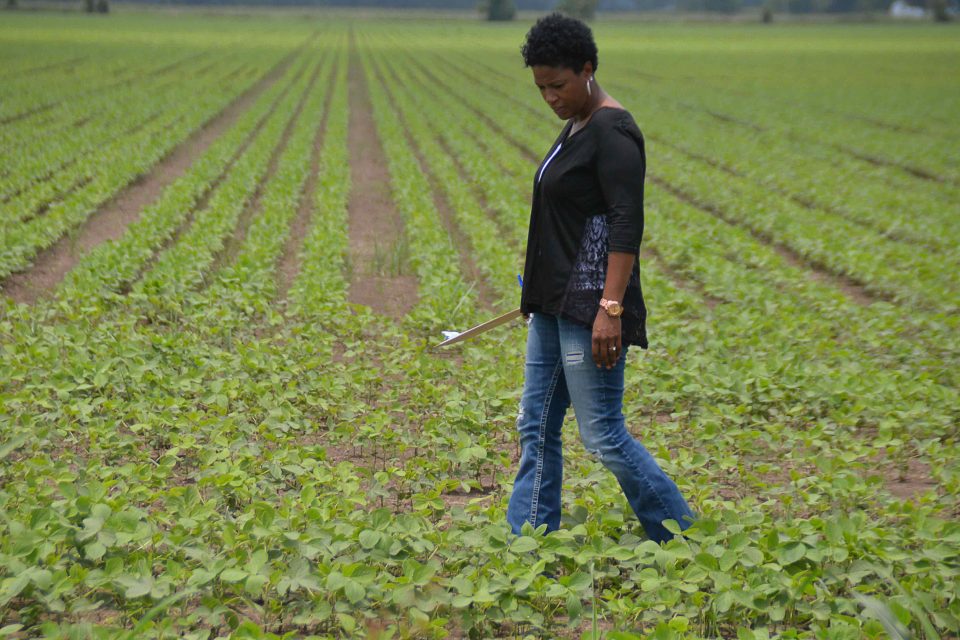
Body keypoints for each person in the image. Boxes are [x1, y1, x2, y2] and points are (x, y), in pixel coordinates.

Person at [507, 13, 695, 544]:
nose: (549, 97)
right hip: (552, 304)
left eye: (558, 85)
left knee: (603, 434)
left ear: (588, 69)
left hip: (589, 306)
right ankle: (529, 535)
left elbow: (624, 223)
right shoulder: (576, 127)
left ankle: (679, 531)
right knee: (535, 424)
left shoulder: (613, 130)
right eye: (541, 87)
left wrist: (610, 309)